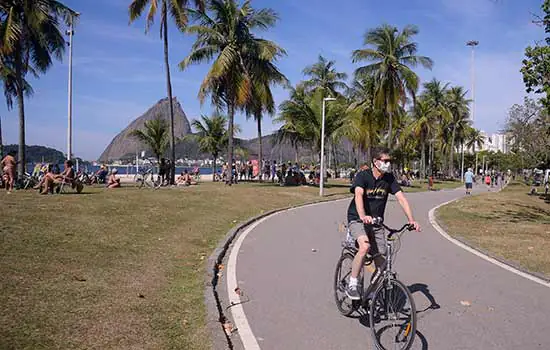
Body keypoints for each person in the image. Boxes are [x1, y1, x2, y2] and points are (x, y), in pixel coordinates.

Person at [345, 147, 420, 300]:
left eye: (389, 161)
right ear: (375, 162)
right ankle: (352, 284)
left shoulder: (389, 178)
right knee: (365, 246)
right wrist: (363, 215)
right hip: (357, 218)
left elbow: (401, 198)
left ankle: (371, 292)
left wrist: (411, 220)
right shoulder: (363, 176)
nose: (387, 164)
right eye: (385, 161)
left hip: (376, 223)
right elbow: (358, 195)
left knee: (382, 263)